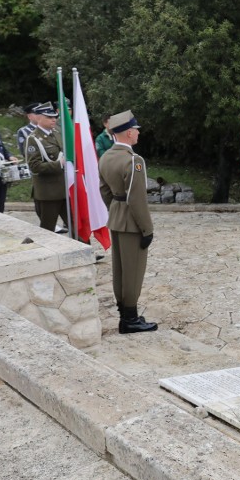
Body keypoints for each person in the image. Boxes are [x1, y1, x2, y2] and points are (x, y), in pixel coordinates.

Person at [99, 110, 157, 334]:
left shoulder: (106, 157)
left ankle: (125, 313)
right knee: (133, 271)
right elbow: (137, 199)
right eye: (136, 130)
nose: (138, 134)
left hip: (116, 218)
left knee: (120, 269)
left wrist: (115, 210)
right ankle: (130, 319)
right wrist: (147, 228)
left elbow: (105, 191)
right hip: (132, 223)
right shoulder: (134, 161)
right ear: (129, 132)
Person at [25, 103, 68, 231]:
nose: (53, 119)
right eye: (49, 117)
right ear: (38, 118)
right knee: (47, 230)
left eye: (54, 116)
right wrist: (59, 164)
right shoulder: (33, 139)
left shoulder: (57, 133)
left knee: (77, 225)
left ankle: (85, 250)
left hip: (65, 188)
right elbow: (34, 166)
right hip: (48, 192)